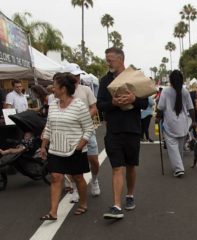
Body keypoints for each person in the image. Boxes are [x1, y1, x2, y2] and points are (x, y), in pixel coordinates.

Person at [97, 47, 148, 220]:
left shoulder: (134, 77)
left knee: (131, 166)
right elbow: (100, 105)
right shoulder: (104, 81)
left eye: (110, 59)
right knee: (117, 167)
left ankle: (130, 195)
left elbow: (145, 103)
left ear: (121, 59)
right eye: (107, 59)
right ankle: (117, 206)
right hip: (113, 130)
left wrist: (134, 99)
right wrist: (112, 103)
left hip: (132, 129)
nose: (108, 62)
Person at [39, 73, 94, 221]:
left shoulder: (79, 106)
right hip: (56, 149)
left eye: (54, 87)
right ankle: (53, 212)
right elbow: (49, 127)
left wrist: (79, 146)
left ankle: (83, 203)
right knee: (56, 177)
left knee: (78, 178)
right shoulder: (52, 105)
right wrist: (43, 146)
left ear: (63, 88)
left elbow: (89, 128)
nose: (52, 89)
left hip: (74, 149)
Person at [64, 63, 101, 200]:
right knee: (72, 162)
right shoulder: (62, 91)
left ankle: (95, 180)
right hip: (69, 133)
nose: (77, 78)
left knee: (94, 160)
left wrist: (83, 118)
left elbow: (93, 107)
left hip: (87, 130)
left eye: (78, 75)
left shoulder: (86, 89)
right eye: (74, 75)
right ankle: (75, 188)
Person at [156, 70, 196, 177]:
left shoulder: (165, 91)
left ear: (170, 80)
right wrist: (194, 121)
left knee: (173, 147)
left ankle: (179, 168)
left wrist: (158, 117)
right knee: (179, 147)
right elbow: (191, 108)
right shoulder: (185, 92)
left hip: (170, 124)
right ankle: (179, 166)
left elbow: (160, 107)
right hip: (183, 124)